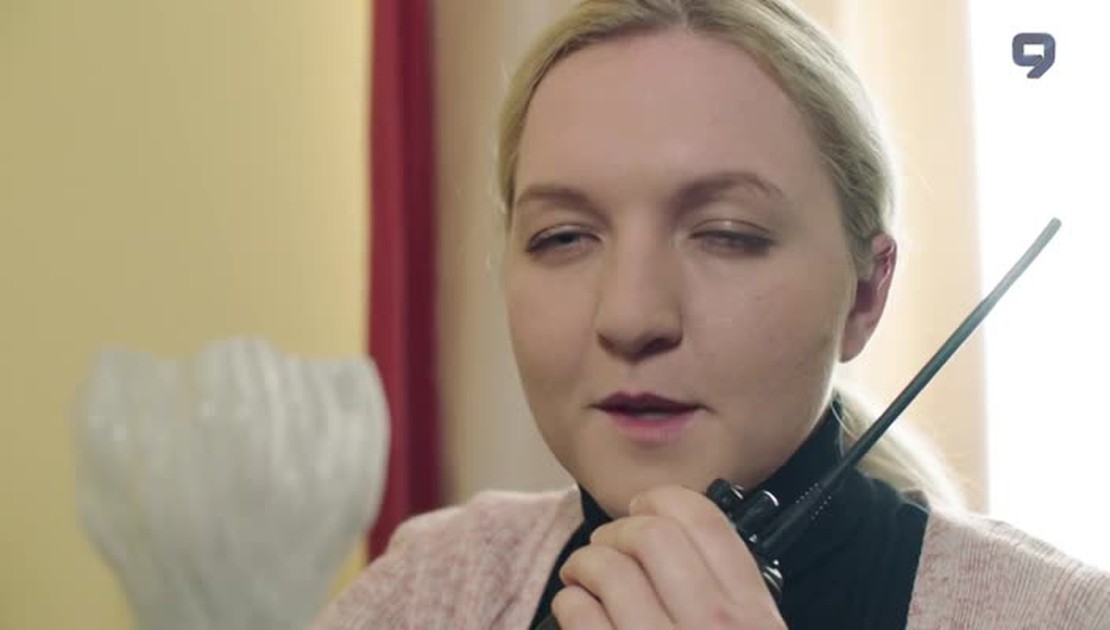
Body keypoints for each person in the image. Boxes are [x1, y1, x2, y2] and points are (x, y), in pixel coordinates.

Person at [313, 0, 1110, 627]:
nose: (630, 316)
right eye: (563, 237)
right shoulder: (430, 589)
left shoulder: (1058, 616)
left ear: (866, 293)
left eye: (726, 234)